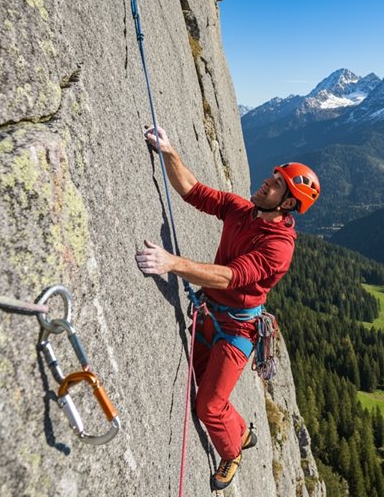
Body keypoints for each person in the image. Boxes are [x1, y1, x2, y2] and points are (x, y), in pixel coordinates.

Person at [134, 125, 319, 490]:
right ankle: (244, 432)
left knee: (208, 407)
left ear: (287, 205)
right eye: (273, 177)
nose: (267, 183)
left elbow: (232, 277)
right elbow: (193, 191)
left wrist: (173, 263)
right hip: (210, 316)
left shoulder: (279, 248)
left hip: (237, 332)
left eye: (277, 185)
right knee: (206, 389)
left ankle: (232, 452)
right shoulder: (243, 211)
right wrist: (169, 151)